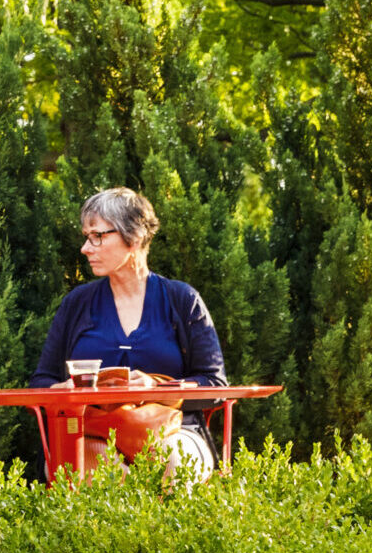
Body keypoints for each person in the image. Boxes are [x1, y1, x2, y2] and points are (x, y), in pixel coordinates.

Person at [29, 187, 226, 480]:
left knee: (175, 463)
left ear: (132, 237)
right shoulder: (76, 304)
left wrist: (156, 388)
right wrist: (61, 392)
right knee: (86, 470)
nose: (85, 247)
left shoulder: (182, 300)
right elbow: (41, 383)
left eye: (97, 236)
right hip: (92, 432)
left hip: (175, 430)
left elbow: (215, 385)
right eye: (86, 236)